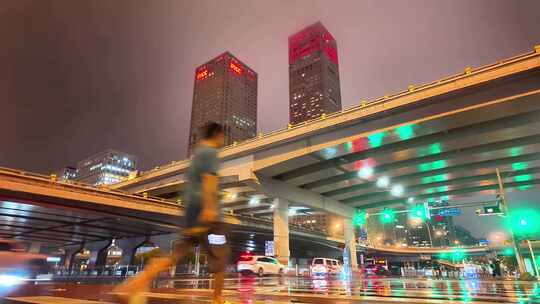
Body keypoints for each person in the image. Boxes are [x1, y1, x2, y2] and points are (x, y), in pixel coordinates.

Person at [114, 122, 230, 304]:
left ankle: (130, 286)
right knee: (220, 256)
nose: (223, 139)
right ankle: (218, 299)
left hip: (191, 215)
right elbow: (210, 180)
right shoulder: (210, 153)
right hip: (208, 217)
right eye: (223, 136)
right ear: (216, 135)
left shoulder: (197, 154)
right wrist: (209, 210)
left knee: (175, 255)